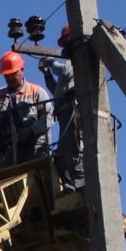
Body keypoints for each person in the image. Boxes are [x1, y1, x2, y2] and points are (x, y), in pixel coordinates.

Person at [0, 51, 53, 169]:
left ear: (22, 70)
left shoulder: (36, 92)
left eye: (13, 74)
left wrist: (31, 131)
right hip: (7, 150)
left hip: (34, 148)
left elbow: (50, 117)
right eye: (6, 75)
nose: (10, 78)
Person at [40, 26, 82, 189]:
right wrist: (47, 74)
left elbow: (65, 72)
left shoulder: (77, 57)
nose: (65, 44)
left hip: (73, 108)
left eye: (67, 40)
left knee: (72, 146)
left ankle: (77, 181)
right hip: (64, 109)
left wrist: (51, 61)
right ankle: (68, 182)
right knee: (63, 151)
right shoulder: (70, 61)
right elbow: (57, 90)